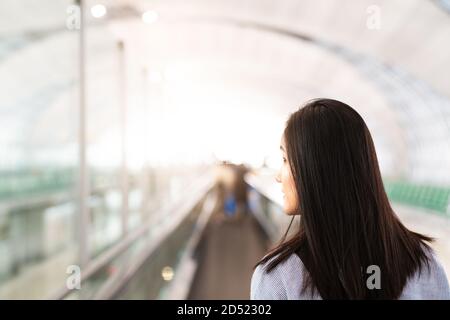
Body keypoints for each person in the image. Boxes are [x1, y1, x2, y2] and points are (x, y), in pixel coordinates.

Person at [250, 98, 450, 299]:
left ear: (317, 170)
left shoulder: (279, 276)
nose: (277, 176)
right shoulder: (425, 263)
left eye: (285, 160)